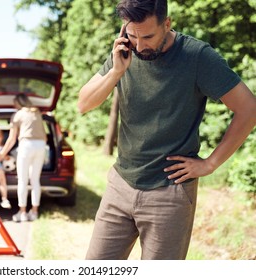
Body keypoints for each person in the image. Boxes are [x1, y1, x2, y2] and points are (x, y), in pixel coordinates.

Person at [78, 0, 256, 260]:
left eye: (148, 36)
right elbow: (83, 104)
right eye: (132, 35)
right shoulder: (124, 53)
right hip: (120, 184)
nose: (139, 45)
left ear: (167, 23)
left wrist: (210, 164)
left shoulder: (198, 56)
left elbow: (249, 108)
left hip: (169, 192)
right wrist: (116, 72)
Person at [0, 94, 47, 222]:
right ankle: (34, 212)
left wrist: (2, 153)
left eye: (15, 103)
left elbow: (12, 138)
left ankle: (23, 213)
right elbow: (45, 135)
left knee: (23, 180)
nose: (14, 106)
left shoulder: (18, 115)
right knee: (35, 180)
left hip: (27, 145)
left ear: (18, 103)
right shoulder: (37, 113)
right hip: (41, 146)